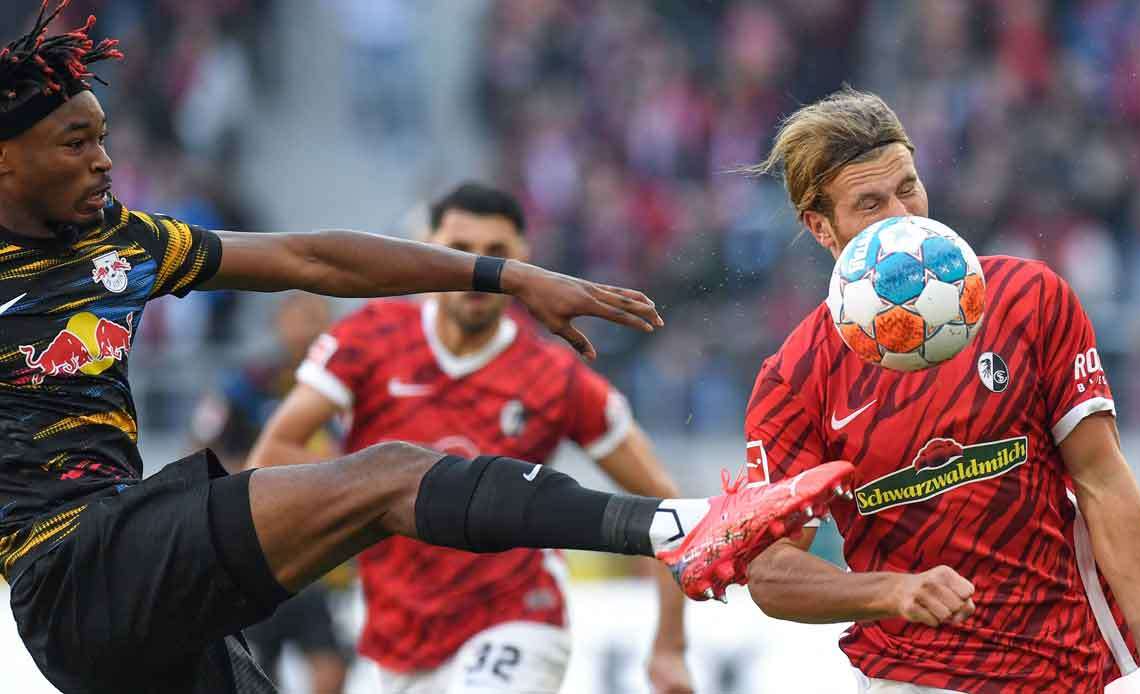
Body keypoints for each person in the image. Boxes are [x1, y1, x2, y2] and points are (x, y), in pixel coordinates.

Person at [0, 5, 852, 693]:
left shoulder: (124, 244)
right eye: (78, 143)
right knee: (394, 472)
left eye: (105, 135)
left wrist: (507, 277)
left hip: (141, 579)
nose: (107, 160)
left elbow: (312, 257)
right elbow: (286, 435)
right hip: (71, 566)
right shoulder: (366, 352)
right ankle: (683, 528)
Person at [739, 86, 1140, 694]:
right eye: (869, 203)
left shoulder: (1029, 299)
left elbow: (1102, 477)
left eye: (908, 187)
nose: (901, 218)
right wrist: (893, 590)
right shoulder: (796, 377)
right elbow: (770, 572)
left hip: (1070, 666)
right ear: (821, 227)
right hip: (915, 678)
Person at [248, 183, 694, 694]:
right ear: (425, 249)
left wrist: (670, 646)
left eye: (496, 253)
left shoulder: (555, 376)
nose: (476, 268)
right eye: (458, 250)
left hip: (518, 617)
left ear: (523, 260)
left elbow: (664, 506)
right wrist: (365, 495)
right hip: (399, 632)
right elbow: (273, 455)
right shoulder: (369, 339)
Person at [191, 293, 352, 694]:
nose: (307, 329)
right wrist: (253, 475)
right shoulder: (248, 382)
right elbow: (199, 448)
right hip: (256, 551)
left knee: (331, 670)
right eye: (299, 318)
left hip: (321, 557)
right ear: (279, 323)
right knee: (258, 671)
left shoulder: (348, 385)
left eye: (317, 318)